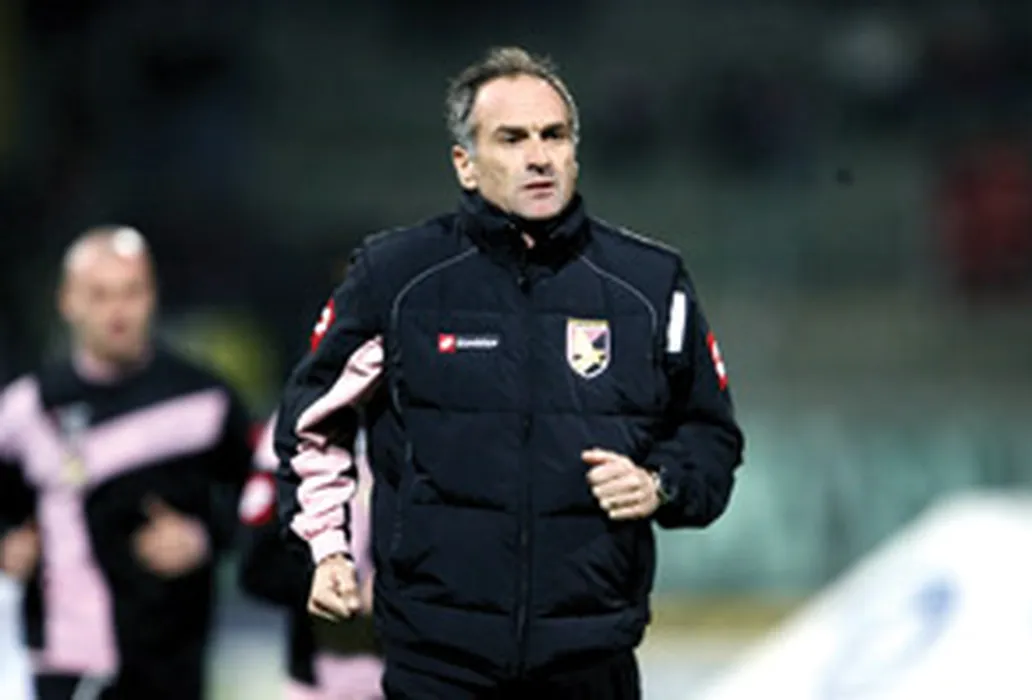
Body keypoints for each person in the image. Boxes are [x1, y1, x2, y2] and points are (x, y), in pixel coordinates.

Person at [273, 46, 745, 699]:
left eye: (555, 135)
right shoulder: (395, 278)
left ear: (576, 151)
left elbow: (710, 436)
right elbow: (312, 423)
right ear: (465, 164)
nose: (539, 156)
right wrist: (327, 548)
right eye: (512, 138)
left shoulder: (649, 284)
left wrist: (658, 483)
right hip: (437, 663)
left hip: (591, 660)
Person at [0, 225, 254, 699]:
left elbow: (263, 500)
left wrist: (205, 537)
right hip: (63, 660)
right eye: (99, 295)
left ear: (152, 295)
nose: (117, 312)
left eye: (131, 292)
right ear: (67, 301)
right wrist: (9, 544)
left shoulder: (203, 400)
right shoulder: (27, 408)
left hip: (171, 660)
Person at [238, 413, 383, 699]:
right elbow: (257, 565)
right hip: (320, 673)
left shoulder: (434, 411)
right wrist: (336, 582)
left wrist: (401, 586)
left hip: (429, 670)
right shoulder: (298, 420)